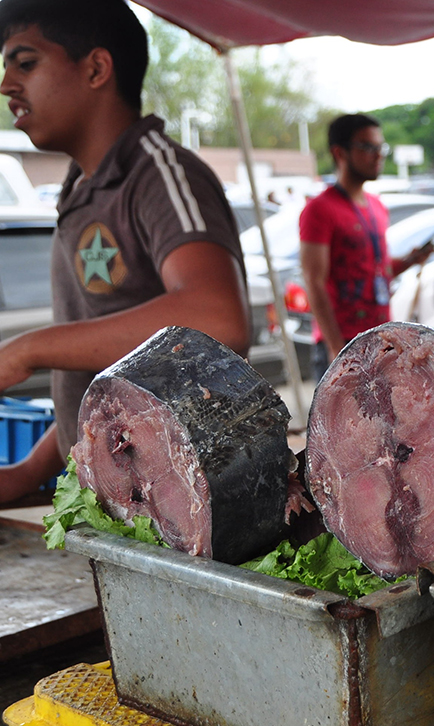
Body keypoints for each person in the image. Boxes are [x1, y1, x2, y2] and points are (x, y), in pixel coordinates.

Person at [0, 0, 251, 503]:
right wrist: (29, 472)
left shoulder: (157, 174)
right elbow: (110, 378)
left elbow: (219, 319)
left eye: (25, 63)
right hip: (118, 502)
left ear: (96, 68)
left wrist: (29, 349)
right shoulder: (80, 191)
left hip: (181, 508)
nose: (7, 84)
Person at [299, 113, 432, 380]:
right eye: (367, 147)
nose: (378, 155)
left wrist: (409, 260)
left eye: (380, 147)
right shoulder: (319, 209)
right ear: (340, 152)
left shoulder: (376, 205)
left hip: (380, 339)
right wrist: (336, 347)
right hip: (342, 344)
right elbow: (314, 281)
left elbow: (376, 270)